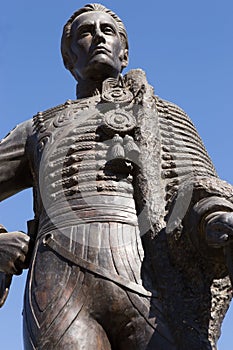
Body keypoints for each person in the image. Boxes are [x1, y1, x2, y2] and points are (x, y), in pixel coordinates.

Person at [0, 3, 233, 349]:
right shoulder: (38, 127)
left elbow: (199, 191)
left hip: (149, 273)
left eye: (107, 30)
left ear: (124, 52)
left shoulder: (166, 114)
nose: (97, 37)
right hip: (59, 278)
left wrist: (218, 220)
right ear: (68, 59)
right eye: (85, 32)